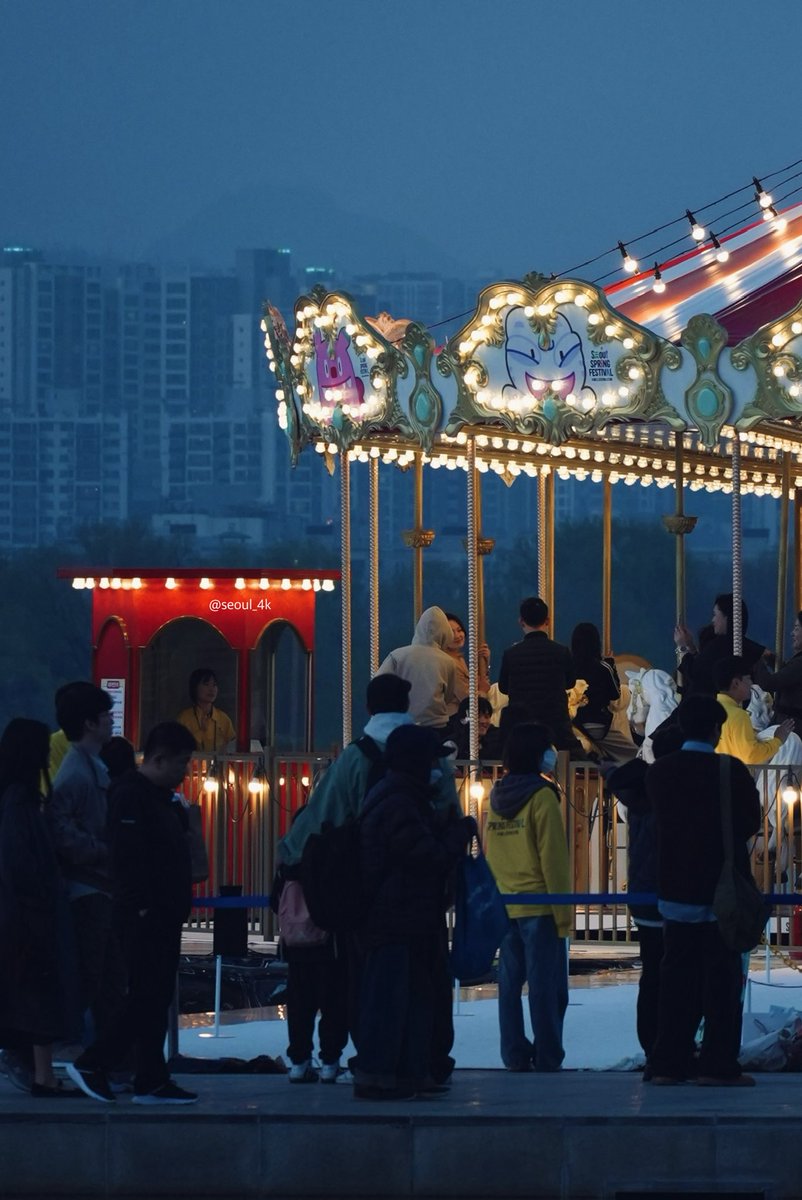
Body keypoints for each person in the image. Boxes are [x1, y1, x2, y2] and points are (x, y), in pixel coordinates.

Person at [280, 673, 461, 1086]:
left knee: (373, 983)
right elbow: (448, 813)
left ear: (368, 708)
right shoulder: (429, 757)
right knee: (427, 981)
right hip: (425, 896)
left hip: (370, 895)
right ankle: (428, 1060)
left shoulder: (354, 757)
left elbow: (320, 819)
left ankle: (377, 1062)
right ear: (408, 704)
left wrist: (291, 860)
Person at [67, 721, 199, 1105]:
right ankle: (97, 1061)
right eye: (181, 763)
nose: (185, 772)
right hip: (145, 915)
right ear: (158, 758)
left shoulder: (159, 799)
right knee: (144, 996)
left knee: (155, 998)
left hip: (163, 913)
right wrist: (141, 907)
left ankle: (151, 1077)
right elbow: (126, 859)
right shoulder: (130, 797)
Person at [353, 725, 476, 1099]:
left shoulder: (400, 796)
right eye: (432, 759)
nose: (438, 767)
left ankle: (408, 1070)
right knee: (392, 998)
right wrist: (457, 835)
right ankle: (381, 1073)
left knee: (412, 997)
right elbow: (426, 856)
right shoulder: (399, 802)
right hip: (397, 917)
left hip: (407, 916)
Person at [646, 695, 761, 1086]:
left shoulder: (660, 773)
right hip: (720, 891)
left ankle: (667, 1062)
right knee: (721, 981)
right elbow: (749, 822)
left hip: (675, 887)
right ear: (716, 730)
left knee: (675, 978)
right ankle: (717, 1062)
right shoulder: (731, 770)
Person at [0, 719, 82, 1097]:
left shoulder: (13, 798)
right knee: (40, 994)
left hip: (18, 915)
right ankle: (42, 1073)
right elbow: (24, 865)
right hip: (30, 916)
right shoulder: (22, 802)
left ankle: (38, 1070)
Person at [484, 722, 571, 1073]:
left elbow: (494, 850)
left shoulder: (497, 796)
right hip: (539, 903)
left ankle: (514, 1053)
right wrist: (563, 912)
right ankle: (549, 1055)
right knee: (545, 988)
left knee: (509, 987)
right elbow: (552, 857)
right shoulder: (542, 797)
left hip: (506, 902)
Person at [49, 682, 125, 1048]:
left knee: (107, 975)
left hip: (98, 884)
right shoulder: (77, 772)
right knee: (93, 974)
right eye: (106, 715)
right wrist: (100, 851)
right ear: (89, 723)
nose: (112, 720)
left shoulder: (87, 764)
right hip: (89, 886)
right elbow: (60, 828)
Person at [605, 724, 685, 1064]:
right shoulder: (673, 789)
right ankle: (673, 1044)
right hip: (673, 893)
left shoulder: (640, 788)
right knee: (678, 971)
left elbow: (619, 774)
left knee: (652, 970)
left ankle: (652, 1043)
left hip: (643, 893)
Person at [498, 597, 580, 753]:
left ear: (521, 621)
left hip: (521, 723)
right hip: (555, 721)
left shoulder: (511, 654)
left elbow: (503, 687)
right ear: (547, 621)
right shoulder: (561, 651)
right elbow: (570, 683)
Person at [376, 607, 459, 730]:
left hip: (401, 725)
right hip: (435, 725)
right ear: (445, 633)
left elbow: (378, 686)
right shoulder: (448, 662)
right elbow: (448, 695)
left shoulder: (397, 656)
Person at [674, 593, 766, 697]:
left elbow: (695, 675)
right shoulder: (744, 645)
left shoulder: (720, 645)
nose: (712, 620)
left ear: (726, 617)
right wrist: (690, 647)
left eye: (715, 614)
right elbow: (703, 665)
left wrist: (682, 647)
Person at [570, 622, 634, 762]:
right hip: (598, 724)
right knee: (632, 755)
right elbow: (615, 694)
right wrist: (611, 663)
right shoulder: (603, 667)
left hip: (575, 723)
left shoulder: (569, 667)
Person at [713, 656, 793, 764]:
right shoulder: (738, 715)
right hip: (734, 776)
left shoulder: (710, 709)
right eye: (749, 679)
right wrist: (778, 740)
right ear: (736, 683)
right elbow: (751, 755)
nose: (751, 684)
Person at [755, 612, 802, 732]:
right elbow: (789, 676)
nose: (792, 633)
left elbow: (768, 683)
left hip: (792, 726)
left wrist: (757, 660)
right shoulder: (797, 663)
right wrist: (772, 661)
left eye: (797, 628)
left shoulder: (799, 663)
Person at [177, 668, 236, 752]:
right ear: (195, 687)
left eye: (214, 685)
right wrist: (200, 731)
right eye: (206, 684)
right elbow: (179, 748)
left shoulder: (223, 718)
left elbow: (233, 745)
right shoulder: (184, 718)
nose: (211, 689)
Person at [443, 612, 490, 712]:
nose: (457, 636)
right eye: (451, 633)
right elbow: (466, 699)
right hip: (455, 718)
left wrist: (484, 662)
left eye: (459, 630)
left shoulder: (458, 658)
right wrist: (482, 691)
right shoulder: (449, 663)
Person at [447, 696, 503, 762]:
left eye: (486, 717)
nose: (483, 721)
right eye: (477, 716)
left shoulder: (492, 743)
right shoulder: (451, 744)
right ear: (463, 719)